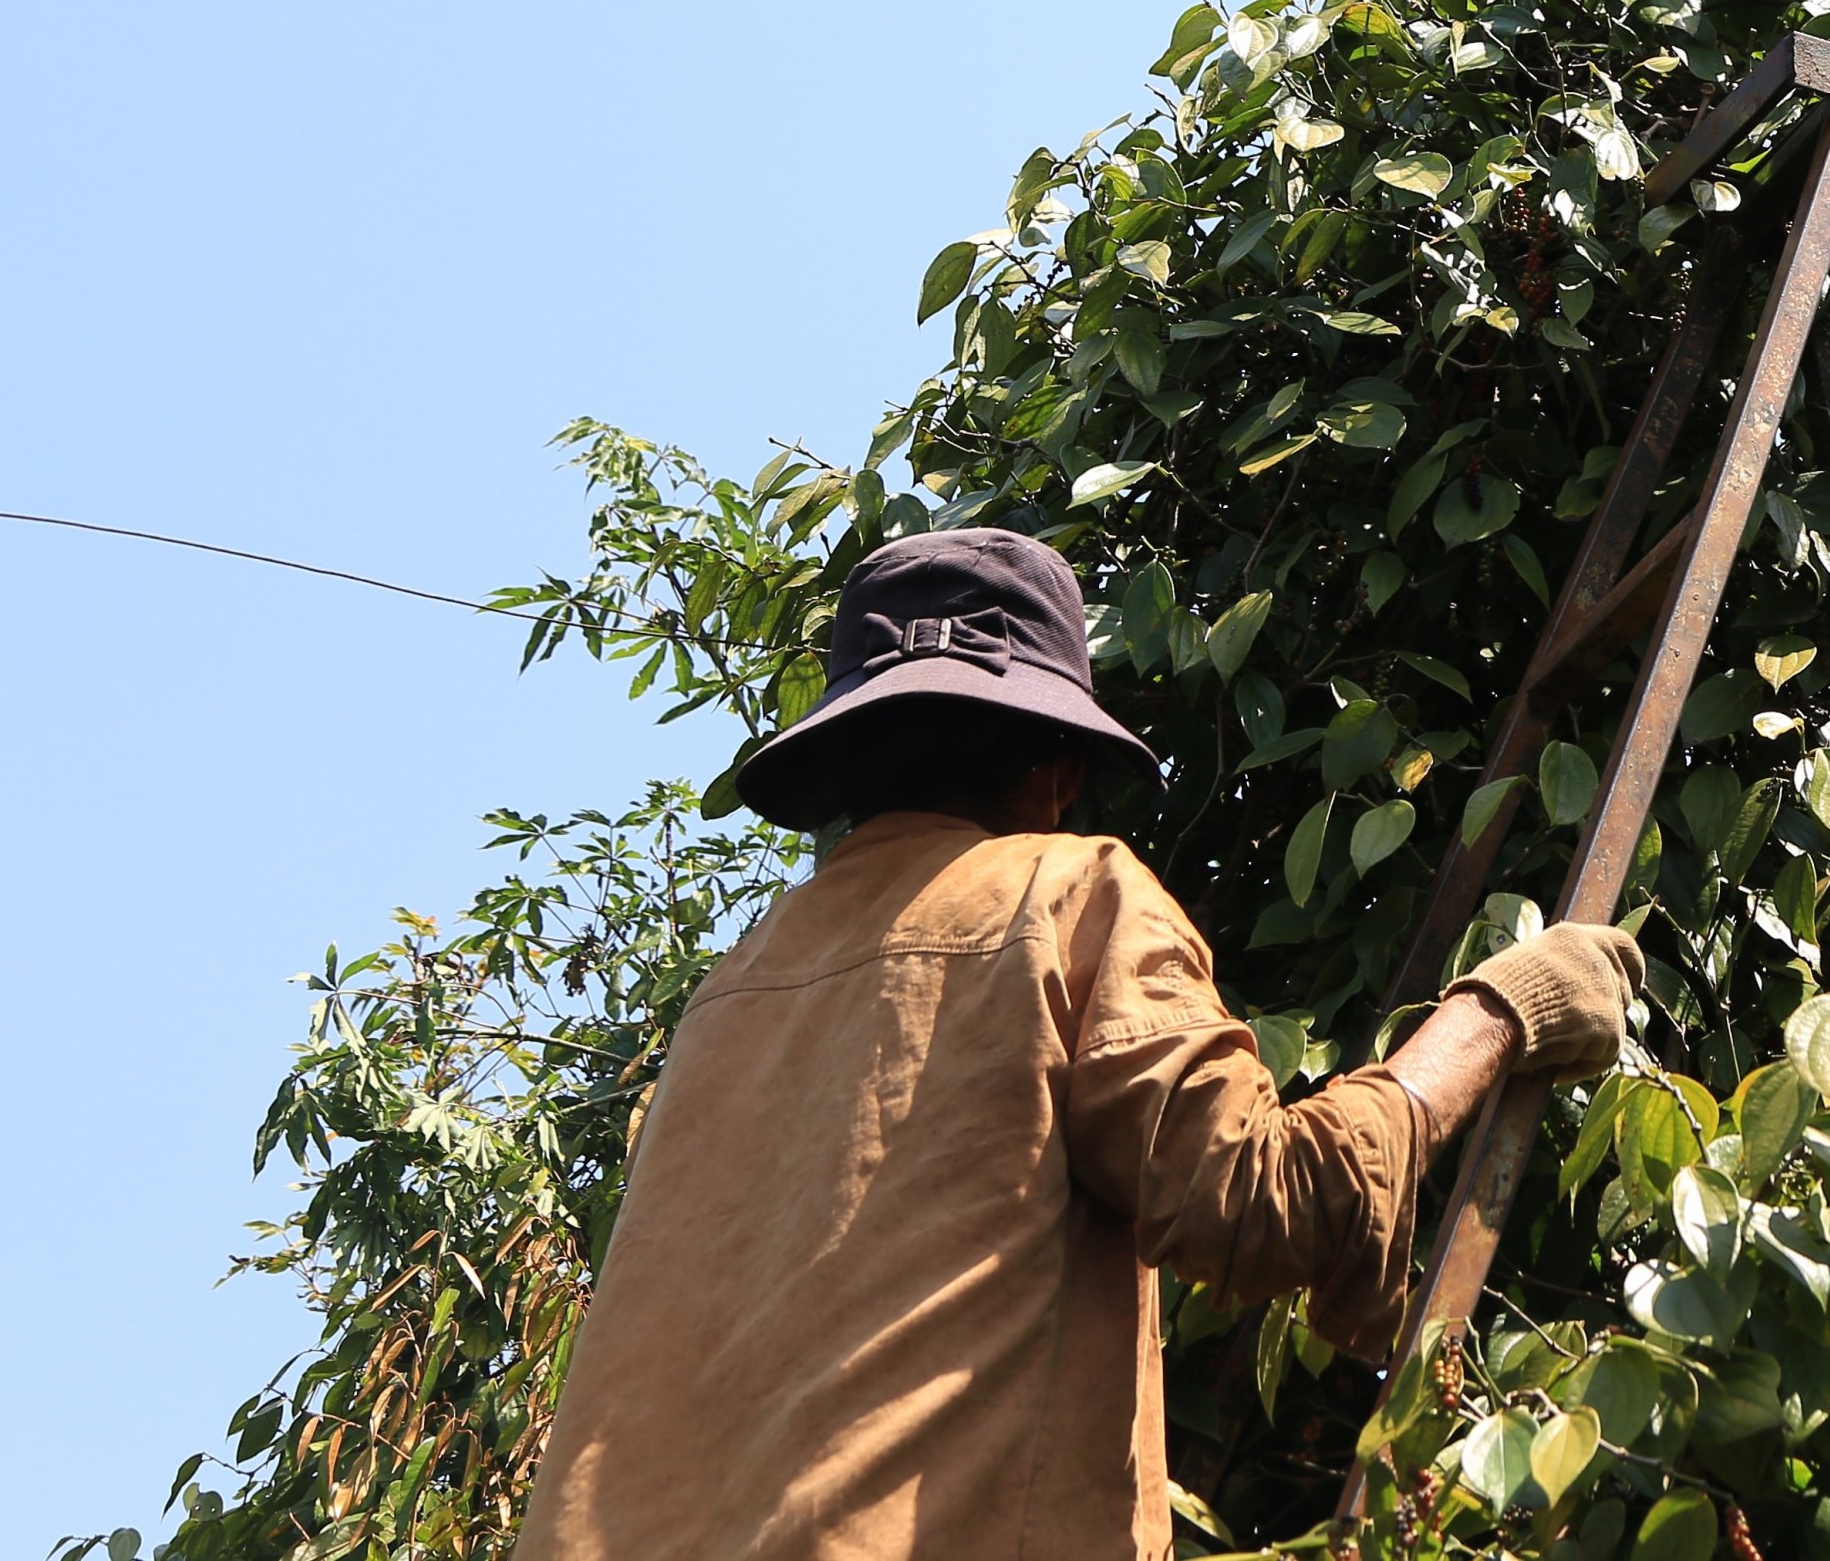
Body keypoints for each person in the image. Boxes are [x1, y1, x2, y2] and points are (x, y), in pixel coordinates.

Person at [514, 527, 1640, 1561]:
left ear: (845, 766)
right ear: (1053, 769)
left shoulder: (728, 996)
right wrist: (1499, 1013)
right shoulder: (1062, 890)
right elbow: (1267, 1198)